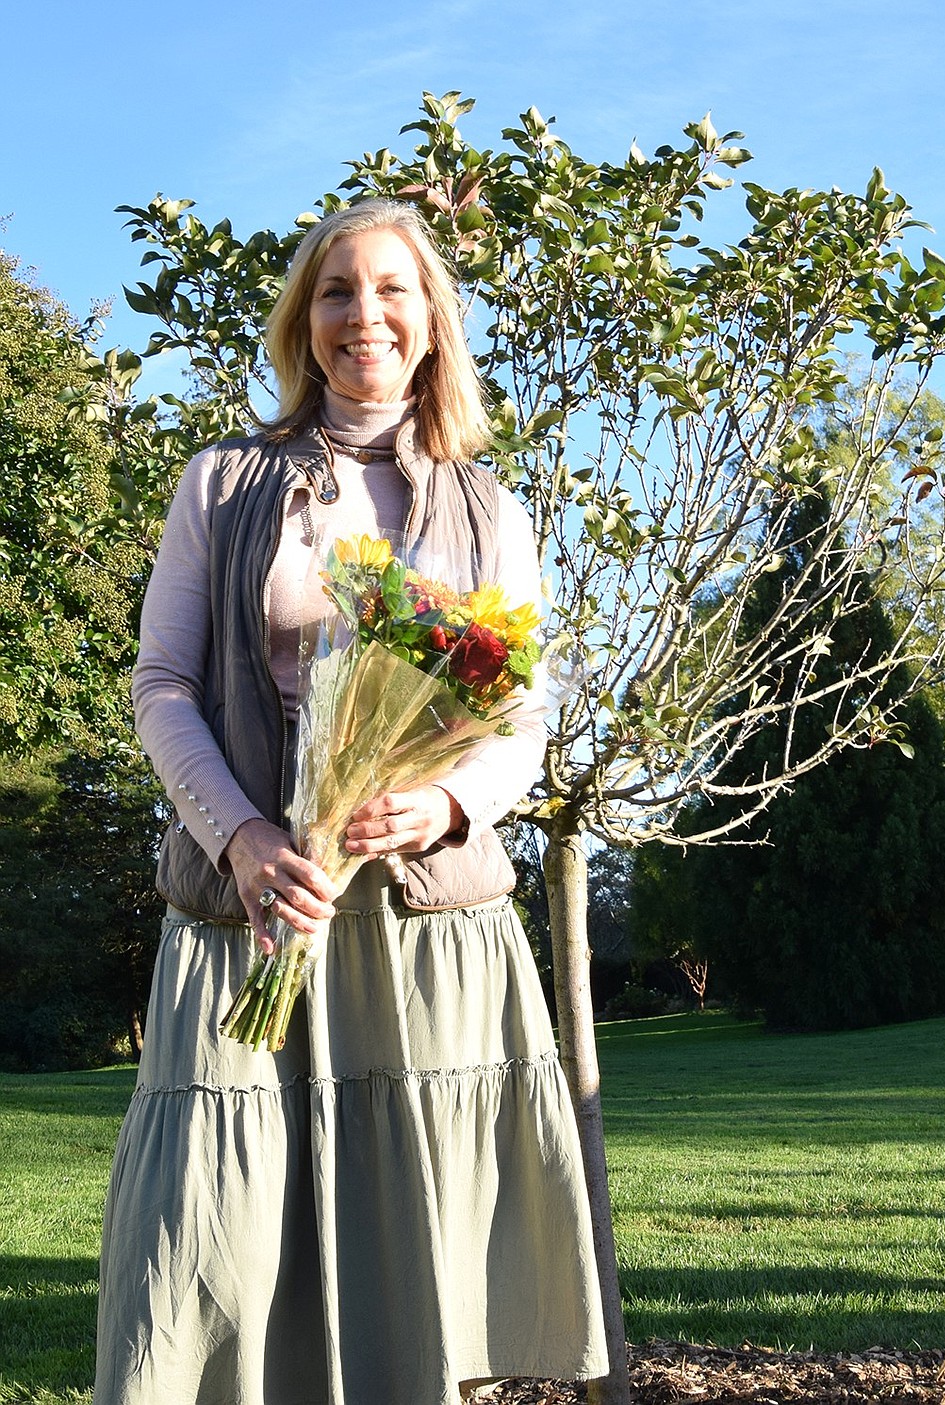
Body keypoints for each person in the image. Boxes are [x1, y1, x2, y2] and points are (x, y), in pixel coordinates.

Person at [94, 199, 608, 1405]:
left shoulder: (489, 508)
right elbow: (161, 685)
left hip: (423, 934)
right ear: (302, 319)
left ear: (430, 321)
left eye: (389, 290)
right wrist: (247, 838)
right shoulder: (223, 483)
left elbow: (520, 722)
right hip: (252, 920)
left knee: (410, 1268)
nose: (360, 316)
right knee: (207, 1246)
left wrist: (441, 807)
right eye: (334, 291)